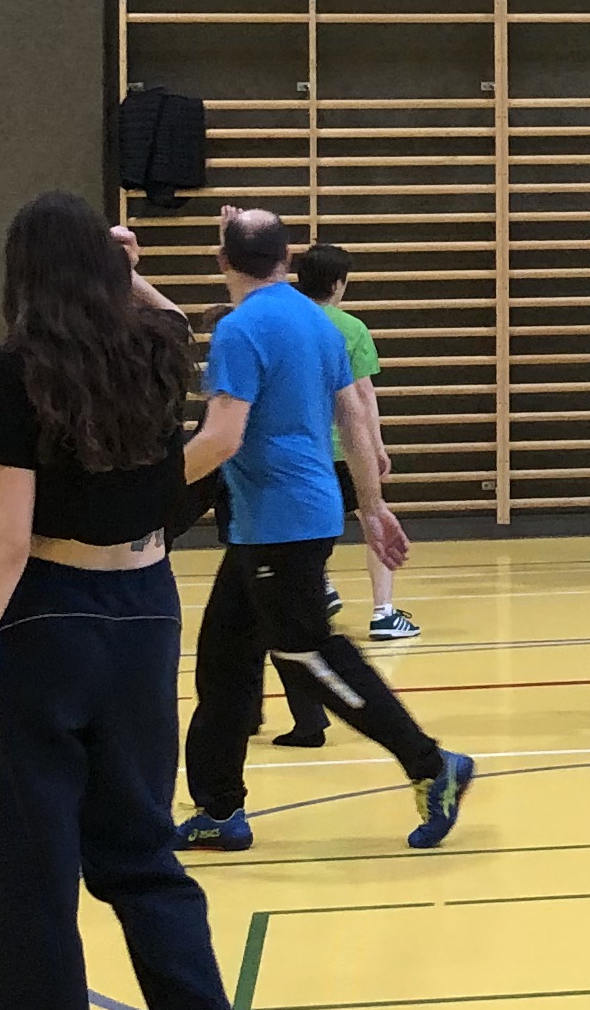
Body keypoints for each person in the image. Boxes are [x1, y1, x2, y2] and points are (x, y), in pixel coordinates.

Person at [0, 194, 280, 1010]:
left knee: (29, 881)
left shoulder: (16, 368)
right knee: (141, 852)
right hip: (145, 615)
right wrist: (127, 269)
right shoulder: (155, 351)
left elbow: (8, 539)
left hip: (48, 618)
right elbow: (170, 318)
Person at [179, 210, 458, 849]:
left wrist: (146, 491)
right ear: (287, 260)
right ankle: (219, 810)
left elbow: (221, 438)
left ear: (222, 262)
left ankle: (430, 764)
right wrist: (373, 505)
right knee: (224, 662)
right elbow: (355, 419)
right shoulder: (317, 320)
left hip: (278, 523)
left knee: (309, 655)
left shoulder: (239, 329)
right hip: (286, 520)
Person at [292, 243, 411, 643]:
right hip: (346, 448)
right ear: (338, 284)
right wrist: (377, 446)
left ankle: (320, 586)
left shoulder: (288, 322)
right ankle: (383, 612)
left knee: (308, 524)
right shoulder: (350, 328)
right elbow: (363, 394)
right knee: (374, 517)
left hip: (304, 449)